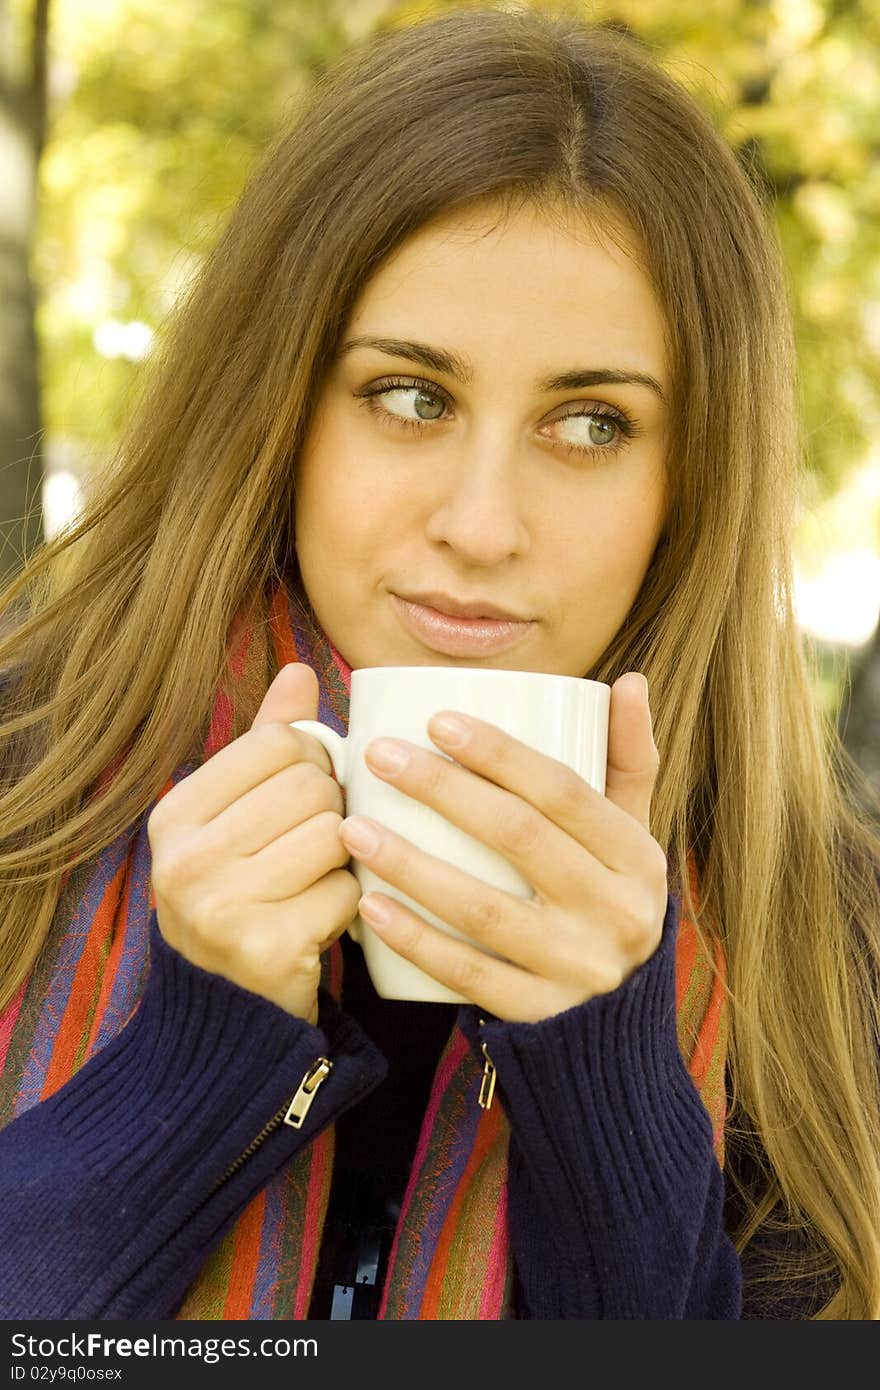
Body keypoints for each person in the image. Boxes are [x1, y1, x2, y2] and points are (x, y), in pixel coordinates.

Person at [0, 4, 878, 1322]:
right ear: (280, 408)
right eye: (411, 395)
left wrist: (605, 1081)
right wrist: (197, 1066)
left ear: (686, 482)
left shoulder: (832, 946)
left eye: (591, 423)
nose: (480, 525)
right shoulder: (25, 789)